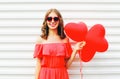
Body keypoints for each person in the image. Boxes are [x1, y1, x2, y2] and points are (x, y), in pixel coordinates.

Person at [33, 8, 86, 79]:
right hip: (45, 75)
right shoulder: (41, 40)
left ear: (59, 20)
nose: (52, 21)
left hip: (61, 75)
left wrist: (75, 50)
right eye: (49, 18)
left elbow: (66, 66)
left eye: (55, 19)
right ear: (46, 21)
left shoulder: (65, 40)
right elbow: (38, 64)